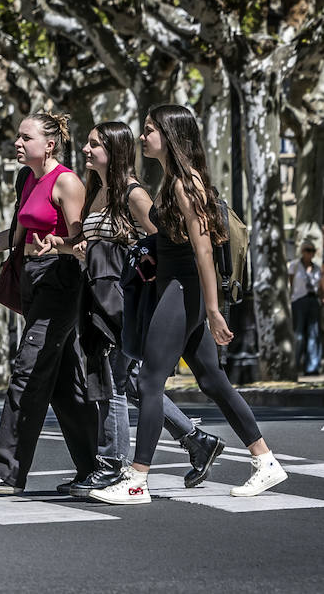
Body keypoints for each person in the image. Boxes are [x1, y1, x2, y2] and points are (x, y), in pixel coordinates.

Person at [93, 105, 288, 504]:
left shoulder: (186, 183)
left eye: (149, 130)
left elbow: (203, 250)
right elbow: (176, 241)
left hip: (185, 291)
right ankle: (265, 460)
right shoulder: (171, 181)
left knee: (149, 381)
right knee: (212, 380)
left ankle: (136, 480)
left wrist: (214, 311)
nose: (143, 137)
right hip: (178, 287)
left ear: (170, 135)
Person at [0, 113, 101, 495]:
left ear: (49, 144)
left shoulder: (66, 182)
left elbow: (84, 247)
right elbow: (14, 237)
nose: (17, 142)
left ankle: (6, 472)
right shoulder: (25, 179)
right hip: (33, 279)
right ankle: (94, 469)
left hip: (61, 283)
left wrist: (56, 245)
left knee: (27, 371)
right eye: (16, 136)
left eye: (25, 137)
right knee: (64, 385)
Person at [67, 122, 222, 496]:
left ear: (115, 150)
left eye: (94, 145)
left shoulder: (132, 194)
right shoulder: (96, 192)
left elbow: (164, 242)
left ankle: (116, 466)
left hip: (128, 300)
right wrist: (66, 245)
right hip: (99, 297)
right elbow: (91, 245)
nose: (86, 151)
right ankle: (196, 440)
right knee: (136, 383)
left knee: (116, 381)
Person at [288, 240, 321, 375]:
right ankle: (295, 365)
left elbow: (320, 286)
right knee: (299, 334)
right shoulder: (295, 266)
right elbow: (290, 283)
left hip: (313, 301)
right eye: (308, 250)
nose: (310, 253)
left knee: (314, 333)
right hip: (299, 301)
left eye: (312, 251)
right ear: (302, 251)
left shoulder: (317, 268)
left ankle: (312, 367)